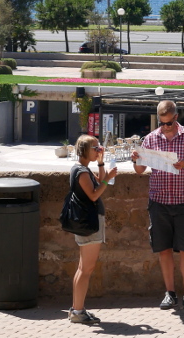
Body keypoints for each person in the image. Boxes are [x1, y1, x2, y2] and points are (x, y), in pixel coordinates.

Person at [131, 100, 184, 311]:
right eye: (162, 123)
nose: (165, 127)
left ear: (176, 117)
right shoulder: (151, 138)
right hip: (159, 202)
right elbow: (139, 171)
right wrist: (136, 160)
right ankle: (170, 293)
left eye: (169, 123)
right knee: (163, 249)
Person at [68, 134, 117, 324]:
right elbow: (95, 194)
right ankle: (78, 311)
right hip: (89, 224)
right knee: (86, 269)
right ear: (84, 151)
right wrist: (109, 178)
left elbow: (99, 180)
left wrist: (102, 163)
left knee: (82, 268)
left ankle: (76, 309)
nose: (98, 150)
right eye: (95, 148)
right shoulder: (81, 172)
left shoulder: (83, 169)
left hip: (88, 223)